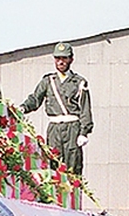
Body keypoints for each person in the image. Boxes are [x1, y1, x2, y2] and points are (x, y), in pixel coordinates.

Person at [20, 43, 93, 174]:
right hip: (54, 128)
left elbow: (85, 109)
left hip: (72, 128)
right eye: (58, 58)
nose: (61, 62)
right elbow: (35, 99)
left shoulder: (79, 82)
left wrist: (84, 132)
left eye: (64, 58)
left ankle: (73, 193)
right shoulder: (48, 81)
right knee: (53, 165)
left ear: (71, 59)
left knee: (73, 165)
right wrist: (23, 108)